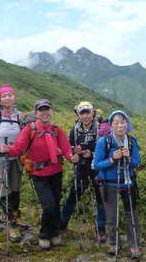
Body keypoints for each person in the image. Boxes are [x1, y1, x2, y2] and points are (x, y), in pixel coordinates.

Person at [0, 99, 73, 251]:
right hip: (39, 174)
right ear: (37, 113)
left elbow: (66, 148)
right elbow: (19, 147)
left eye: (47, 109)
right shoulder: (29, 129)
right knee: (49, 205)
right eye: (41, 110)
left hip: (56, 172)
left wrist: (72, 157)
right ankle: (44, 235)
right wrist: (8, 150)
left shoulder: (56, 130)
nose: (45, 112)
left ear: (51, 111)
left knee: (56, 203)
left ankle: (54, 233)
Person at [94, 110, 141, 258]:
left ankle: (134, 245)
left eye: (122, 122)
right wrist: (112, 159)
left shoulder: (132, 141)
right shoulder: (104, 142)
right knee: (111, 216)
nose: (120, 125)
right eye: (116, 123)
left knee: (132, 215)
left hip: (128, 184)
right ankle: (113, 244)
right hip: (109, 184)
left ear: (127, 124)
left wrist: (128, 157)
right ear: (111, 126)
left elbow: (136, 162)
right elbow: (97, 165)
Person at [0, 84, 26, 241]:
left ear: (14, 98)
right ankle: (11, 225)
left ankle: (16, 215)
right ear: (0, 99)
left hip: (15, 159)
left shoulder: (19, 116)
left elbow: (25, 136)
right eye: (5, 96)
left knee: (15, 189)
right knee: (3, 192)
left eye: (10, 95)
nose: (8, 98)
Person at [60, 101, 106, 242]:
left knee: (100, 198)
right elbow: (70, 148)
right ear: (78, 115)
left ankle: (101, 229)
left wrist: (91, 153)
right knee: (73, 196)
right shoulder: (75, 130)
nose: (85, 116)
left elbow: (105, 150)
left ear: (93, 114)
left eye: (88, 112)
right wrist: (75, 152)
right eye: (82, 113)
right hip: (81, 168)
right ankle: (61, 224)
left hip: (96, 169)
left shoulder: (100, 130)